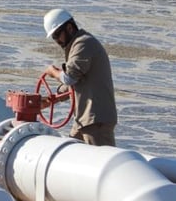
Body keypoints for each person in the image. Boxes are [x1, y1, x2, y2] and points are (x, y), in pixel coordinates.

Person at [41, 8, 118, 146]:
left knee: (101, 163)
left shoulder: (83, 43)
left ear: (69, 28)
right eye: (54, 37)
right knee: (70, 154)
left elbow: (69, 78)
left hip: (96, 120)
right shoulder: (76, 46)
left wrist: (52, 71)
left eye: (57, 35)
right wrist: (52, 99)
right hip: (84, 120)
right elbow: (73, 83)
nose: (57, 40)